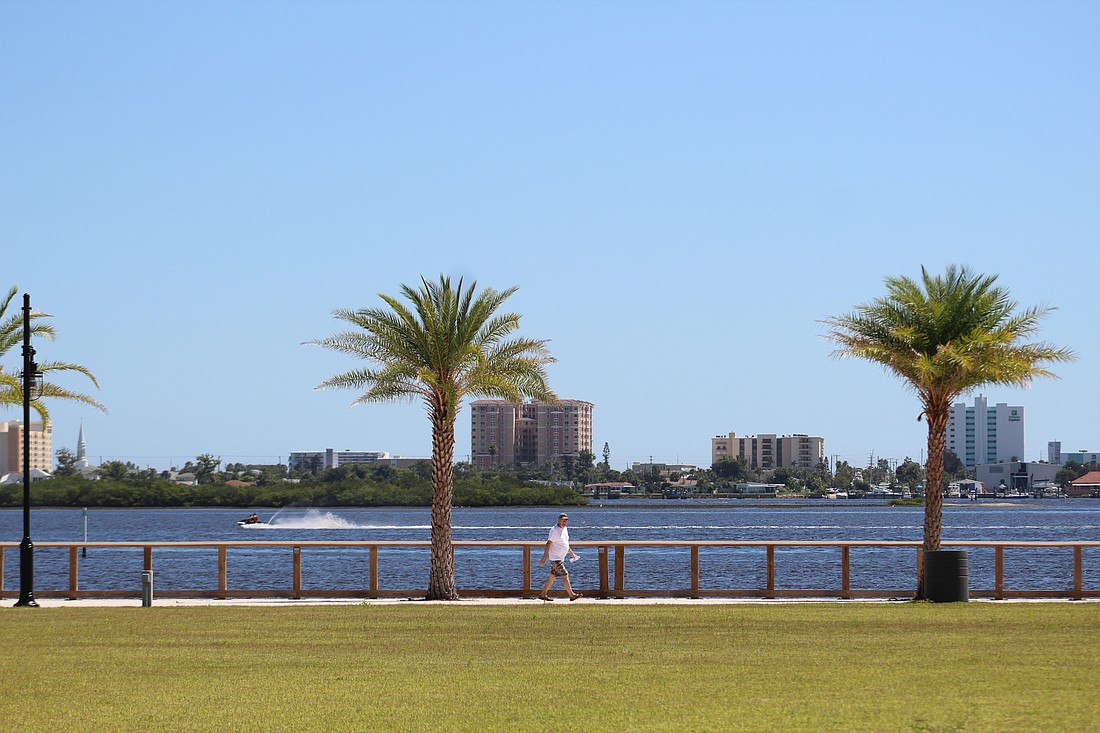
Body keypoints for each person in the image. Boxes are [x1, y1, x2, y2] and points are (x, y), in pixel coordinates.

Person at [537, 513, 581, 601]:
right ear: (558, 520)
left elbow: (565, 544)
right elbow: (548, 543)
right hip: (555, 558)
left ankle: (543, 594)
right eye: (563, 520)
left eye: (566, 520)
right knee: (565, 575)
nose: (564, 522)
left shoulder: (565, 529)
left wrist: (572, 554)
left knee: (552, 576)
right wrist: (544, 557)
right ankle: (571, 595)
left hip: (560, 558)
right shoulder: (554, 530)